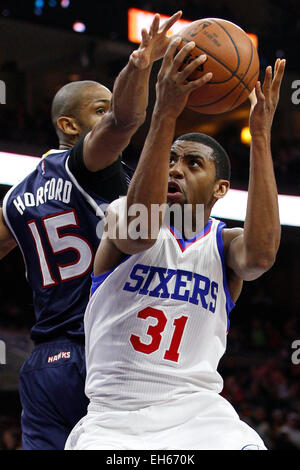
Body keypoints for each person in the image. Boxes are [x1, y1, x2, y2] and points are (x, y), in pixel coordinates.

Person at [65, 37, 286, 450]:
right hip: (117, 419)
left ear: (221, 188)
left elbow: (260, 257)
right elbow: (139, 234)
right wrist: (165, 110)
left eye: (192, 163)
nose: (176, 169)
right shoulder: (121, 214)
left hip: (199, 416)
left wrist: (260, 136)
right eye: (172, 159)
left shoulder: (225, 245)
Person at [0, 12, 183, 450]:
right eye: (97, 109)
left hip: (44, 363)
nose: (108, 116)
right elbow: (124, 120)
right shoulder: (88, 165)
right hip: (104, 355)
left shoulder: (13, 199)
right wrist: (140, 64)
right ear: (69, 126)